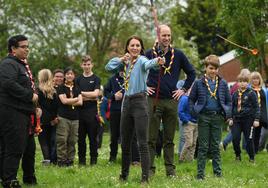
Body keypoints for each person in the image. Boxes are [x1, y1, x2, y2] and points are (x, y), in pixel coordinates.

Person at [105, 35, 164, 183]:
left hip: (140, 102)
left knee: (142, 143)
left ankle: (145, 178)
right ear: (127, 48)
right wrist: (121, 60)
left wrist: (158, 61)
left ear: (141, 48)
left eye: (138, 46)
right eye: (132, 45)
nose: (135, 48)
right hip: (126, 103)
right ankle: (124, 176)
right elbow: (108, 67)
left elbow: (150, 64)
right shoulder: (125, 63)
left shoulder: (142, 60)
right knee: (125, 142)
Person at [146, 24, 196, 177]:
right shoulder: (149, 54)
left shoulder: (178, 55)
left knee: (169, 139)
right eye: (164, 35)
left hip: (171, 101)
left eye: (169, 35)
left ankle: (170, 171)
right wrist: (143, 86)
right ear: (158, 36)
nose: (167, 38)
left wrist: (183, 90)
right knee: (151, 138)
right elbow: (137, 71)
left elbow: (192, 73)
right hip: (153, 100)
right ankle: (149, 170)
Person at [0, 35, 39, 187]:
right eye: (23, 47)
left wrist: (36, 108)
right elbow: (8, 83)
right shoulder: (8, 64)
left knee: (28, 148)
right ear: (13, 49)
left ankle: (27, 178)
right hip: (11, 112)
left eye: (27, 46)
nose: (27, 49)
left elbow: (30, 86)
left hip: (25, 113)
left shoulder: (21, 65)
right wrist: (30, 96)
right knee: (13, 147)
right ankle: (9, 180)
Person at [189, 54, 232, 180]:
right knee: (203, 146)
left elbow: (229, 101)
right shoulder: (198, 83)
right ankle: (200, 175)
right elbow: (191, 99)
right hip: (204, 117)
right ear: (206, 68)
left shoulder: (223, 83)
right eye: (211, 68)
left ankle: (218, 173)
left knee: (215, 146)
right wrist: (194, 111)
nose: (213, 71)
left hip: (217, 117)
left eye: (215, 68)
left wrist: (227, 112)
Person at [229, 72, 259, 162]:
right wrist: (230, 118)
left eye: (245, 81)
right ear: (238, 82)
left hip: (248, 120)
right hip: (237, 120)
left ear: (248, 82)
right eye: (240, 81)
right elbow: (232, 106)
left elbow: (256, 107)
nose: (242, 83)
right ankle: (238, 155)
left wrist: (256, 119)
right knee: (235, 138)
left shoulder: (251, 93)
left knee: (249, 139)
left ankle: (252, 158)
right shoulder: (235, 94)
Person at [76, 55, 100, 165]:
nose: (87, 66)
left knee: (92, 139)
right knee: (81, 139)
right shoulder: (78, 79)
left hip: (92, 113)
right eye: (84, 64)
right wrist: (90, 96)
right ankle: (82, 161)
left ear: (92, 65)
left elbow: (96, 94)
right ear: (81, 65)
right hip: (80, 112)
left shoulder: (96, 79)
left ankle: (93, 161)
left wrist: (82, 93)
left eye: (88, 64)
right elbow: (76, 96)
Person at [56, 67, 83, 166]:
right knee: (62, 139)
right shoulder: (61, 88)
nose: (69, 75)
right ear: (65, 76)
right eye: (67, 74)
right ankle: (61, 160)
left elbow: (80, 102)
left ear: (74, 76)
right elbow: (63, 101)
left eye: (71, 74)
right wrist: (75, 99)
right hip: (63, 117)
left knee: (72, 140)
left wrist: (70, 101)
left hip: (75, 118)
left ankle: (70, 160)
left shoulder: (77, 87)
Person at [37, 69, 58, 165]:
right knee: (51, 139)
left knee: (43, 140)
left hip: (41, 119)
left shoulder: (37, 91)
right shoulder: (54, 91)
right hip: (52, 119)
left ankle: (47, 159)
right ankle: (53, 159)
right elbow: (56, 106)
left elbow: (37, 106)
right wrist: (54, 117)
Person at [104, 68, 124, 162]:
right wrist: (113, 96)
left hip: (128, 110)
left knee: (128, 135)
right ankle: (112, 157)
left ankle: (128, 157)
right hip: (115, 110)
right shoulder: (112, 79)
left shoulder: (131, 77)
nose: (122, 70)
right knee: (114, 136)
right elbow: (106, 92)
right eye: (120, 67)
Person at [250, 71, 268, 154]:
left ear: (259, 80)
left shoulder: (262, 90)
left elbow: (264, 104)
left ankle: (258, 149)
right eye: (253, 78)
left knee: (259, 133)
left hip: (262, 115)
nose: (255, 80)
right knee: (253, 134)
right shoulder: (249, 90)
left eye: (257, 78)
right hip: (252, 116)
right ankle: (252, 150)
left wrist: (263, 115)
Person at [178, 87, 197, 162]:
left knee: (194, 143)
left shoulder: (196, 100)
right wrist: (186, 120)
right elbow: (180, 111)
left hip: (196, 123)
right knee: (189, 142)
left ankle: (190, 160)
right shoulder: (184, 99)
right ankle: (181, 159)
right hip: (189, 123)